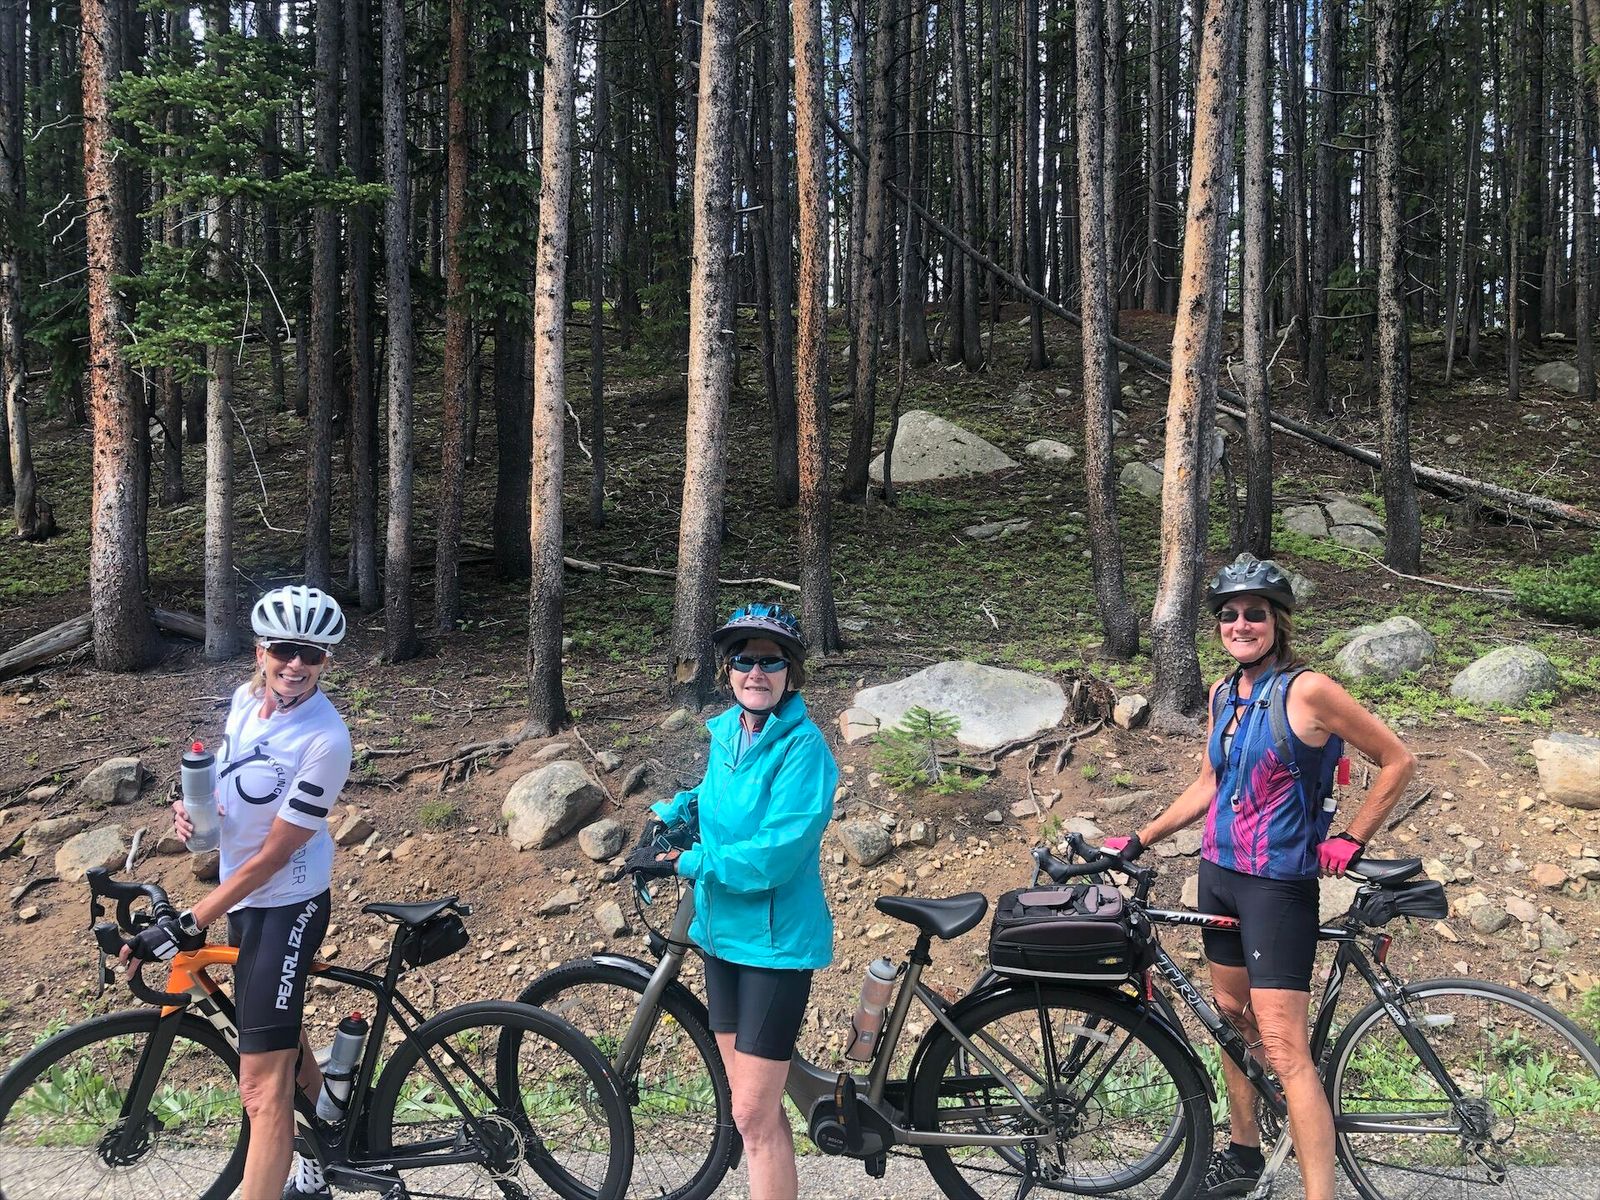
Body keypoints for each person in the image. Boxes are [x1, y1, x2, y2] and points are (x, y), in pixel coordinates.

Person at [1100, 554, 1416, 1200]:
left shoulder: (1310, 691)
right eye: (1229, 614)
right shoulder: (1224, 693)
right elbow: (1209, 784)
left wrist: (1353, 837)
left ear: (1277, 622)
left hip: (1277, 884)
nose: (1240, 624)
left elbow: (1397, 760)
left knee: (1284, 1046)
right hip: (1218, 872)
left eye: (1255, 613)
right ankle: (1244, 1153)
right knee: (1231, 1018)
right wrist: (1140, 837)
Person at [121, 585, 353, 1200]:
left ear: (326, 661)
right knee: (276, 1036)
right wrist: (193, 813)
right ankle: (329, 1140)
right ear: (260, 652)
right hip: (243, 898)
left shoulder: (325, 739)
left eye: (311, 654)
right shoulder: (245, 703)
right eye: (283, 650)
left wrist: (190, 918)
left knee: (259, 1085)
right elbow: (230, 793)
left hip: (287, 903)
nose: (295, 664)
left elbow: (275, 855)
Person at [638, 602, 837, 1200]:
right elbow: (715, 797)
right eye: (745, 659)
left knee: (751, 1114)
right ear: (728, 670)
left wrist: (691, 861)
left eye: (771, 661)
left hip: (774, 946)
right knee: (755, 1111)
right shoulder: (728, 733)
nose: (756, 672)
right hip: (721, 936)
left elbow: (775, 854)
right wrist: (673, 814)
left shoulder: (804, 749)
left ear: (790, 672)